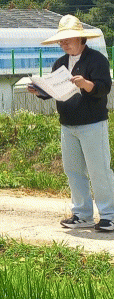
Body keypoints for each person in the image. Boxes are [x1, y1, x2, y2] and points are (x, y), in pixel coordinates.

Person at [30, 14, 114, 232]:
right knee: (73, 170)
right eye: (61, 41)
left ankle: (110, 215)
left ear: (80, 39)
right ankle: (82, 214)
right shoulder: (60, 63)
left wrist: (86, 84)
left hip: (92, 122)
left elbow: (104, 87)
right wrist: (41, 92)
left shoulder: (97, 60)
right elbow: (56, 91)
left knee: (99, 170)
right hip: (68, 123)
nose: (64, 44)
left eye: (68, 40)